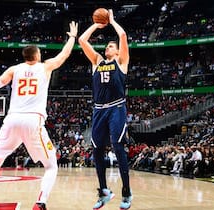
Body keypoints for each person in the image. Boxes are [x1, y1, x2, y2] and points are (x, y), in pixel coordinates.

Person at [0, 21, 78, 210]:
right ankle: (40, 202)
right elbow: (64, 54)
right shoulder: (45, 67)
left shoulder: (14, 69)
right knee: (51, 166)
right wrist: (71, 37)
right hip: (32, 120)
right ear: (37, 55)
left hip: (12, 120)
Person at [78, 9, 132, 210]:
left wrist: (112, 21)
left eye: (111, 46)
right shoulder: (97, 61)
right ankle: (104, 191)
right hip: (99, 110)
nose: (107, 47)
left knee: (118, 148)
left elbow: (123, 35)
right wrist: (96, 25)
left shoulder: (121, 62)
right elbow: (82, 40)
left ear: (117, 51)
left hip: (116, 107)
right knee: (97, 150)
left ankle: (126, 192)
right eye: (107, 45)